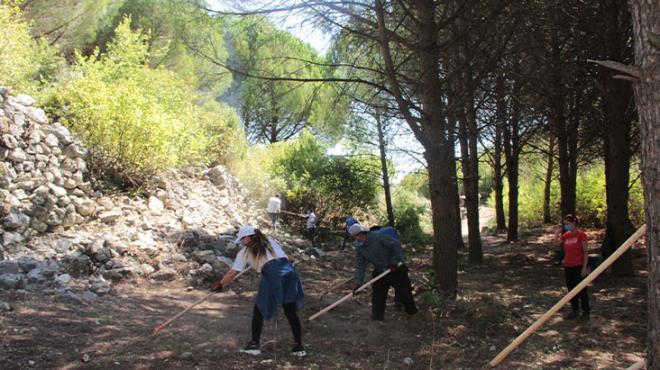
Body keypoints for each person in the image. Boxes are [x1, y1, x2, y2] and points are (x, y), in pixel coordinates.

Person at [212, 226, 306, 357]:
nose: (241, 242)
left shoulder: (245, 252)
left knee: (259, 309)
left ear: (249, 237)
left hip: (273, 275)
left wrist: (220, 284)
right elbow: (284, 256)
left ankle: (254, 345)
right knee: (289, 310)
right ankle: (299, 347)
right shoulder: (270, 242)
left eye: (242, 239)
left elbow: (232, 272)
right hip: (289, 272)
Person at [349, 223, 417, 321]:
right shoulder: (360, 248)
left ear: (363, 234)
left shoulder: (378, 236)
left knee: (404, 293)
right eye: (354, 239)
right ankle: (377, 318)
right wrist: (358, 283)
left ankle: (412, 313)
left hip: (396, 268)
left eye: (357, 237)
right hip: (380, 270)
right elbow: (361, 265)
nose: (356, 240)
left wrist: (394, 262)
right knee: (378, 296)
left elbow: (396, 245)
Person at [558, 214, 591, 321]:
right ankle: (575, 310)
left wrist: (584, 267)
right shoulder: (566, 235)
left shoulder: (581, 235)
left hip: (579, 265)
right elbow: (556, 243)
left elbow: (586, 252)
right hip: (568, 266)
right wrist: (556, 232)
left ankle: (586, 312)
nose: (566, 226)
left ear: (574, 223)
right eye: (565, 224)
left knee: (581, 290)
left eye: (568, 223)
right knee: (571, 289)